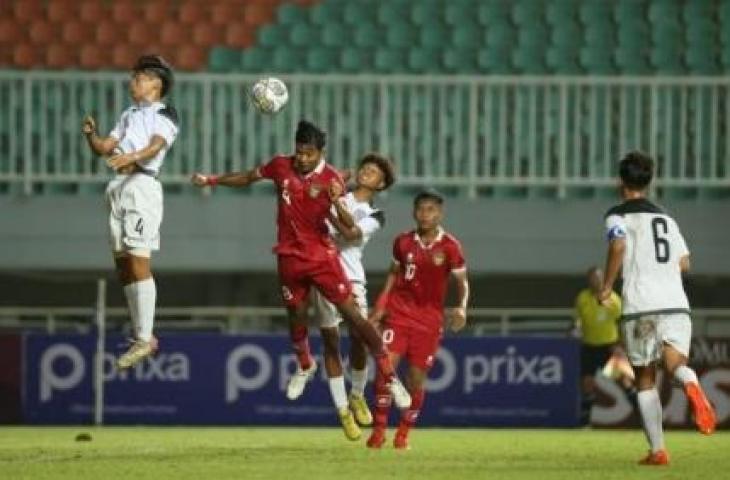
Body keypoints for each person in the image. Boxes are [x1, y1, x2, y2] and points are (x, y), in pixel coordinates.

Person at [191, 120, 410, 411]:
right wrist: (212, 180)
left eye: (310, 153)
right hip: (289, 256)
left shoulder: (336, 182)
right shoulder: (282, 165)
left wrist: (336, 202)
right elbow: (248, 177)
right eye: (300, 152)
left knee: (356, 321)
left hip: (323, 259)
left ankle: (390, 377)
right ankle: (305, 366)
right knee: (297, 315)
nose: (303, 158)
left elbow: (351, 231)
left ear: (321, 152)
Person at [598, 151, 716, 466]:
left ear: (621, 182)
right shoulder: (667, 219)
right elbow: (684, 263)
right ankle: (690, 382)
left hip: (641, 305)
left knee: (645, 379)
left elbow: (618, 245)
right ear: (649, 182)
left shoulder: (617, 215)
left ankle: (658, 450)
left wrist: (607, 285)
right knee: (676, 363)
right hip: (676, 304)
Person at [286, 153, 395, 441]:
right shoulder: (335, 189)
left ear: (381, 184)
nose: (366, 172)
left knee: (359, 336)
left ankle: (357, 393)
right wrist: (333, 185)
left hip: (352, 276)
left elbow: (352, 235)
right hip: (323, 273)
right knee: (330, 342)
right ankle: (343, 410)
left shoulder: (376, 214)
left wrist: (332, 201)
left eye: (373, 172)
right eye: (365, 167)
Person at [81, 54, 178, 369]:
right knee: (123, 264)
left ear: (155, 82)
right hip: (118, 187)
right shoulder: (128, 113)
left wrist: (130, 157)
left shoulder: (166, 112)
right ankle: (141, 336)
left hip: (141, 185)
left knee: (138, 259)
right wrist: (90, 136)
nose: (132, 81)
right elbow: (105, 148)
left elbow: (156, 145)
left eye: (138, 76)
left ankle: (145, 337)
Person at [367, 190, 469, 450]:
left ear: (440, 213)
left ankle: (403, 435)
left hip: (428, 322)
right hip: (399, 315)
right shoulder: (402, 242)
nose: (425, 215)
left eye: (431, 210)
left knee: (415, 381)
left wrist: (461, 308)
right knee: (384, 370)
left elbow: (462, 282)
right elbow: (392, 276)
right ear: (414, 212)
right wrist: (380, 307)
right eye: (421, 209)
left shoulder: (450, 246)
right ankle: (378, 432)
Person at [574, 266, 631, 425]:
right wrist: (576, 328)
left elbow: (623, 323)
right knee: (587, 384)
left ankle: (642, 419)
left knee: (625, 382)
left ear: (603, 279)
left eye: (598, 278)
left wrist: (621, 345)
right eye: (592, 278)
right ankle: (585, 423)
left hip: (610, 346)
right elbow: (578, 319)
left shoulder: (613, 300)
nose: (595, 281)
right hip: (589, 346)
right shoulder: (582, 298)